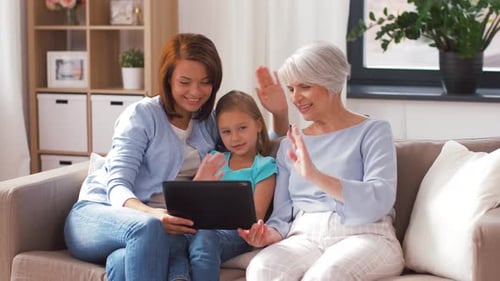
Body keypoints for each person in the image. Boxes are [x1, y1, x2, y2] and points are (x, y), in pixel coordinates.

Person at [63, 33, 286, 281]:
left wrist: (279, 114)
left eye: (205, 82)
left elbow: (253, 145)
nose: (195, 91)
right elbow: (116, 186)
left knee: (123, 261)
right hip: (99, 213)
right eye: (185, 82)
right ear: (168, 80)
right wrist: (152, 214)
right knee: (148, 230)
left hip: (167, 227)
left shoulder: (208, 123)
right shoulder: (141, 116)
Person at [237, 41, 405, 280]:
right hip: (305, 237)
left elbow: (380, 197)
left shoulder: (374, 131)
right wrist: (271, 233)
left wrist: (315, 176)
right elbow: (283, 212)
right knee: (262, 268)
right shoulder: (290, 142)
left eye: (304, 86)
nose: (296, 98)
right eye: (291, 89)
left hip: (365, 235)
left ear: (332, 83)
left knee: (326, 274)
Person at [171, 90, 277, 281]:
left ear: (258, 125)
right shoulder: (214, 159)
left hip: (236, 235)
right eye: (226, 132)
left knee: (204, 240)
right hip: (202, 229)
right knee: (172, 242)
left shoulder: (264, 166)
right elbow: (190, 204)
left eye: (242, 128)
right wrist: (199, 184)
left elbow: (255, 216)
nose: (235, 138)